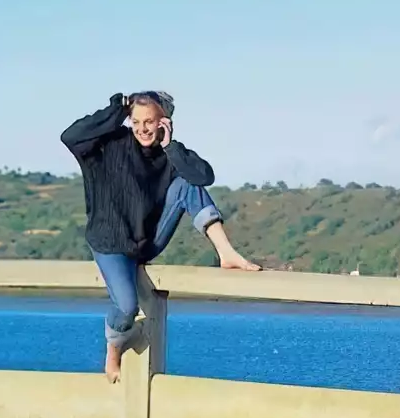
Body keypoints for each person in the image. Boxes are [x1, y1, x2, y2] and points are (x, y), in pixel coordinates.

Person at [61, 92, 259, 382]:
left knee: (186, 185)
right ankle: (113, 349)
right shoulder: (106, 144)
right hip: (110, 243)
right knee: (127, 306)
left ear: (163, 122)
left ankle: (226, 253)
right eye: (136, 121)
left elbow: (204, 177)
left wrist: (172, 147)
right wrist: (117, 109)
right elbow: (70, 137)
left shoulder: (168, 155)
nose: (142, 128)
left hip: (147, 240)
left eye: (150, 122)